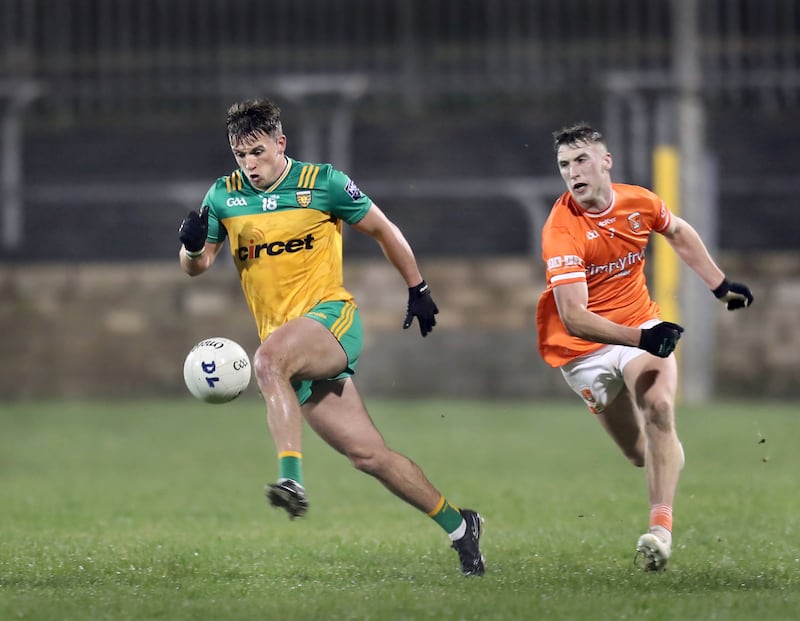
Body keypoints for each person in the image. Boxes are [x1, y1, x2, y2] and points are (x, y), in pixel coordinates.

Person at [177, 98, 485, 577]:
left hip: (332, 320)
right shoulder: (223, 195)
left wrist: (417, 287)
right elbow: (197, 268)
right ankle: (461, 526)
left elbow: (384, 230)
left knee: (266, 361)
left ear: (281, 143)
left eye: (258, 152)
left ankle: (290, 480)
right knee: (369, 456)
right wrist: (193, 245)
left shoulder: (324, 184)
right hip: (291, 348)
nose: (250, 164)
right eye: (240, 155)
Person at [536, 123, 753, 571]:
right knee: (639, 453)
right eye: (563, 165)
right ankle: (663, 450)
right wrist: (642, 339)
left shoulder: (638, 201)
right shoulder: (561, 230)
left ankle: (659, 532)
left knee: (658, 406)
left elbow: (677, 231)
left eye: (580, 160)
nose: (572, 172)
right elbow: (575, 316)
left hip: (638, 324)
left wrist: (720, 286)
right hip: (585, 349)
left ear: (605, 161)